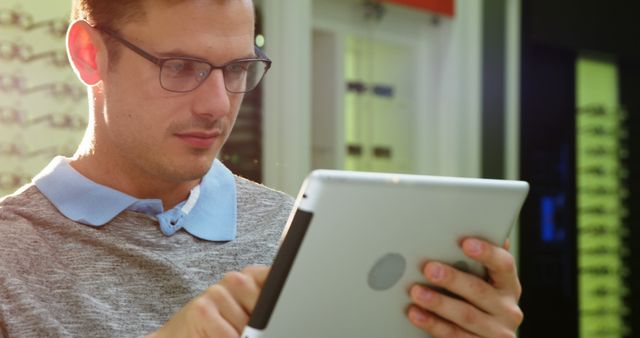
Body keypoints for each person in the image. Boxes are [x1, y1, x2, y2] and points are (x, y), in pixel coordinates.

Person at [0, 0, 523, 337]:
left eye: (237, 69)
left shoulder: (307, 231)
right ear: (90, 55)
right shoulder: (10, 259)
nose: (218, 105)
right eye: (181, 67)